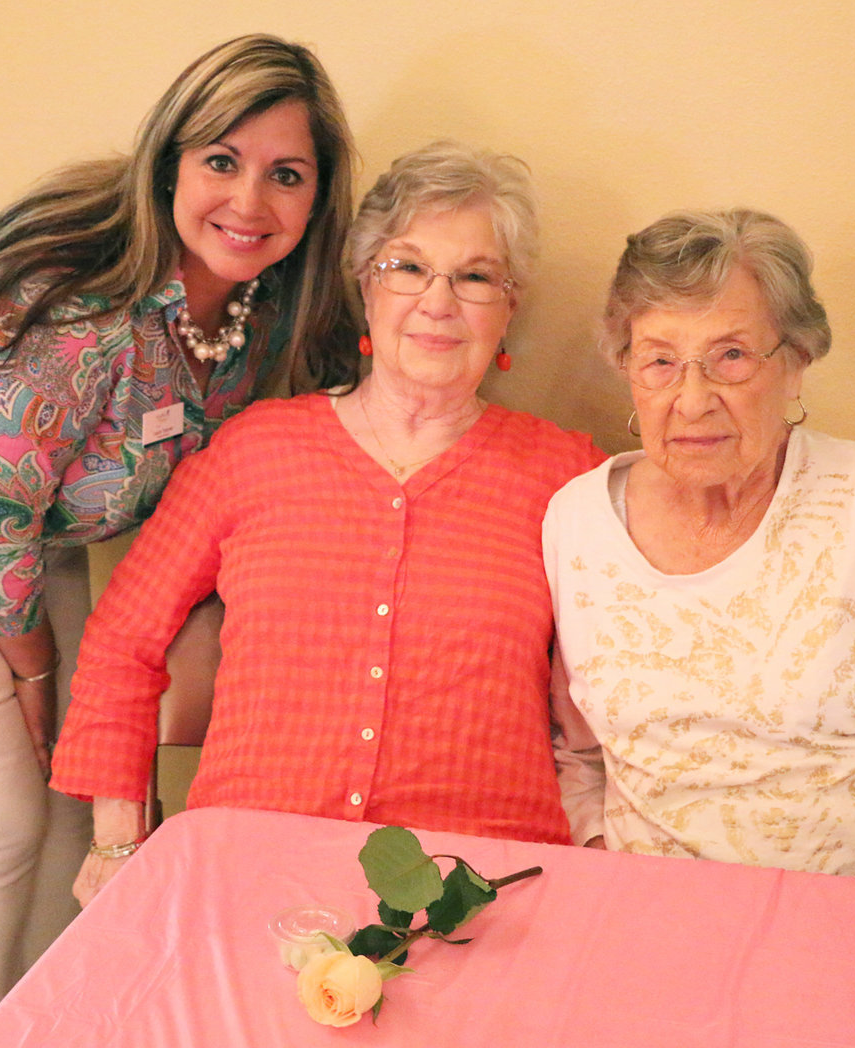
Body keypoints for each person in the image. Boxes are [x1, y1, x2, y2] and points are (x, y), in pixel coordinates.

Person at [0, 34, 355, 1048]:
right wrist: (35, 668)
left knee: (64, 810)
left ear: (318, 199)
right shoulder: (75, 301)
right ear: (171, 159)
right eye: (221, 160)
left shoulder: (261, 310)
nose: (250, 201)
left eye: (287, 174)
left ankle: (43, 1028)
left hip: (30, 542)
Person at [50, 141, 606, 905]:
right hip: (253, 871)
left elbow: (631, 685)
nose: (437, 302)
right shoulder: (254, 448)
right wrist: (117, 842)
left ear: (509, 308)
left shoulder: (567, 475)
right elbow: (122, 640)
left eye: (475, 277)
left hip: (481, 887)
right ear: (365, 287)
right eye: (407, 267)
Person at [544, 208, 855, 978]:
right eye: (660, 362)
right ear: (625, 368)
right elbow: (577, 753)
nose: (693, 397)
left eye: (731, 356)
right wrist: (609, 865)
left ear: (797, 359)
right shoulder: (575, 518)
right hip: (650, 932)